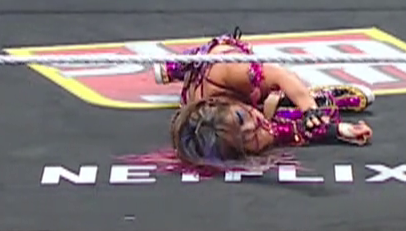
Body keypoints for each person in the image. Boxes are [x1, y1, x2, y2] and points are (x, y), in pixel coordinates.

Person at [156, 32, 374, 170]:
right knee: (283, 117)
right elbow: (290, 131)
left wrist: (310, 110)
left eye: (241, 119)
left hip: (213, 61)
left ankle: (176, 67)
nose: (253, 125)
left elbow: (279, 75)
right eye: (246, 137)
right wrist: (340, 130)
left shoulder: (231, 71)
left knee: (275, 95)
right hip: (201, 98)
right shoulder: (234, 138)